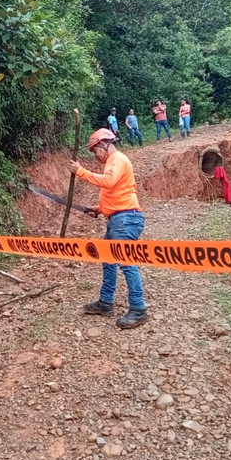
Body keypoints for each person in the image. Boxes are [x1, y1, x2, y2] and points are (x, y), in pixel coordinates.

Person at [69, 129, 148, 329]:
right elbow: (117, 192)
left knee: (127, 262)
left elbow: (109, 182)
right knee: (109, 260)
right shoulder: (113, 162)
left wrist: (80, 171)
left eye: (95, 151)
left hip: (125, 219)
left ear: (104, 144)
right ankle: (106, 303)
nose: (96, 156)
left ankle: (138, 309)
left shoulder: (117, 159)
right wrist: (101, 209)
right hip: (119, 218)